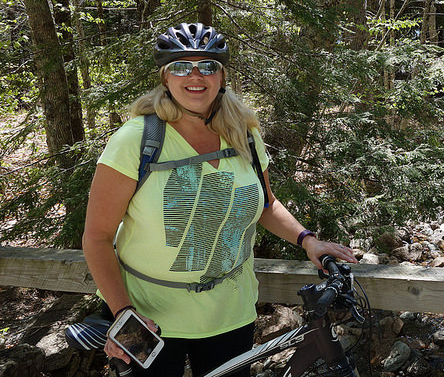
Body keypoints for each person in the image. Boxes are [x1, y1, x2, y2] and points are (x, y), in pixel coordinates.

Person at [82, 23, 356, 376]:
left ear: (221, 75)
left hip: (230, 313)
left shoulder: (243, 132)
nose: (195, 75)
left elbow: (266, 204)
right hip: (149, 317)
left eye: (207, 66)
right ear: (166, 77)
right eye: (182, 66)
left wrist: (308, 241)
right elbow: (98, 236)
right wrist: (122, 312)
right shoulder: (137, 140)